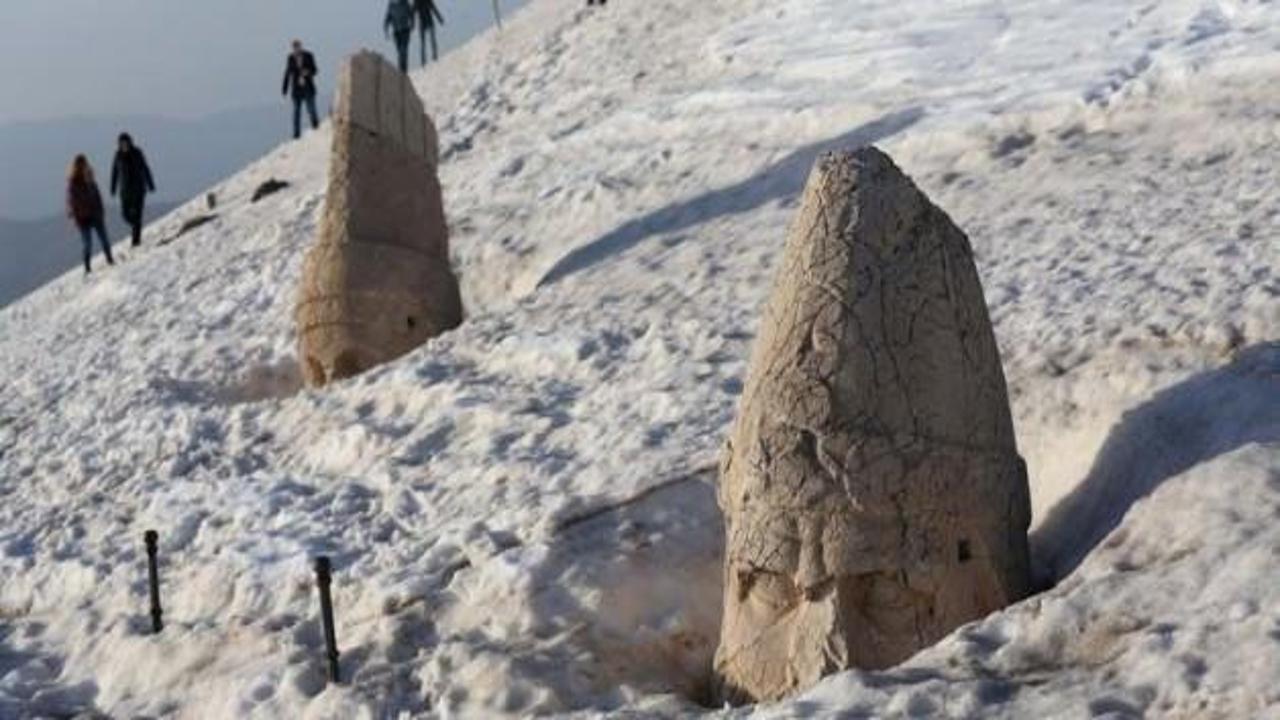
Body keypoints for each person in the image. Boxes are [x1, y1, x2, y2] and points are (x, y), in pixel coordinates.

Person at [66, 155, 115, 274]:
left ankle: (109, 259)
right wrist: (73, 212)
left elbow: (97, 196)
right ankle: (87, 267)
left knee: (104, 239)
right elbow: (71, 200)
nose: (82, 166)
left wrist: (101, 210)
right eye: (80, 164)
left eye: (84, 164)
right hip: (83, 218)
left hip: (95, 214)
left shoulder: (90, 178)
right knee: (87, 243)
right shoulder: (73, 183)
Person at [110, 133, 156, 247]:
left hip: (138, 190)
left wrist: (150, 184)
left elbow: (145, 168)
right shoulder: (118, 155)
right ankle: (137, 226)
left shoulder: (137, 153)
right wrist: (113, 187)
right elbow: (114, 172)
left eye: (126, 142)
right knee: (125, 215)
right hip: (125, 191)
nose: (124, 145)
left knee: (138, 215)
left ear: (130, 142)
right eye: (122, 143)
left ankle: (136, 241)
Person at [282, 40, 320, 139]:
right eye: (294, 48)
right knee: (296, 112)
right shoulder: (290, 58)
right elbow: (287, 73)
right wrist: (284, 89)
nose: (296, 49)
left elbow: (315, 70)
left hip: (308, 87)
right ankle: (296, 134)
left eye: (297, 47)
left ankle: (315, 126)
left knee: (311, 108)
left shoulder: (309, 55)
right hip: (296, 89)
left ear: (301, 47)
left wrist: (307, 73)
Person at [385, 0, 415, 73]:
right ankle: (401, 70)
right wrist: (386, 28)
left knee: (403, 50)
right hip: (396, 32)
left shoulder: (405, 3)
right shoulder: (391, 5)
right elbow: (388, 18)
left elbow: (411, 14)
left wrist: (412, 24)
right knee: (399, 52)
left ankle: (404, 70)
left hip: (405, 30)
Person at [413, 0, 445, 66]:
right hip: (423, 23)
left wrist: (440, 18)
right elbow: (412, 13)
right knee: (423, 43)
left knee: (431, 40)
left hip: (428, 21)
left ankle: (434, 56)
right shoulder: (416, 1)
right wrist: (411, 24)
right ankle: (423, 61)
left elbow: (434, 9)